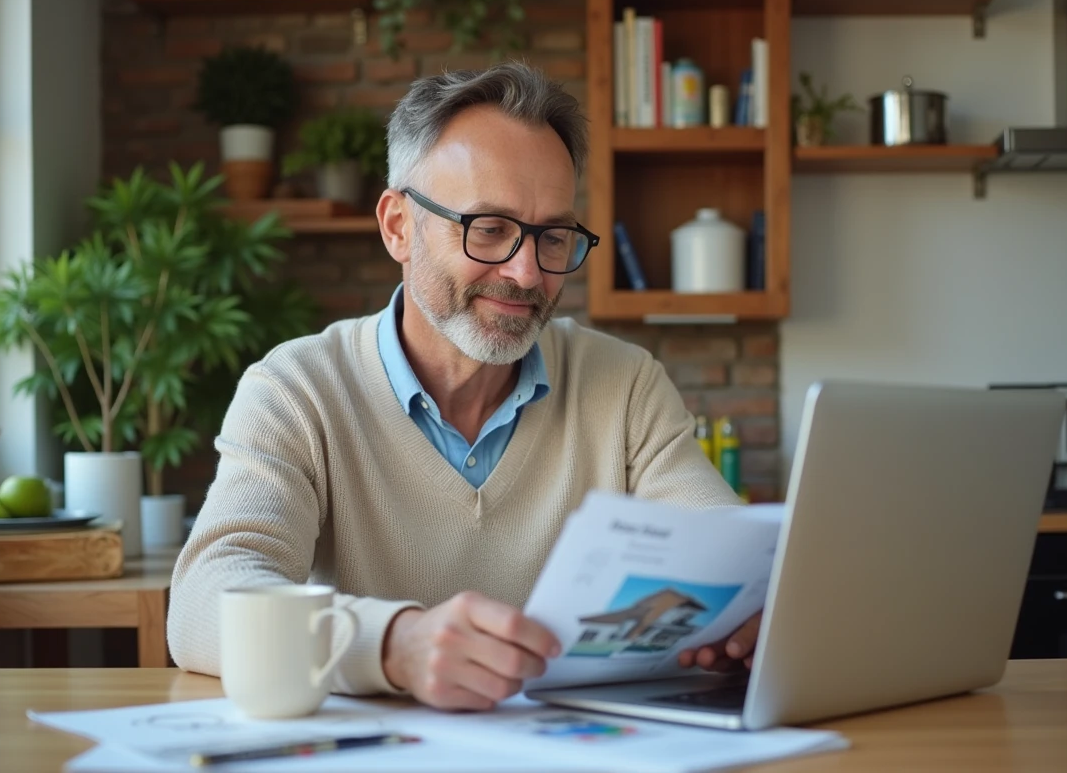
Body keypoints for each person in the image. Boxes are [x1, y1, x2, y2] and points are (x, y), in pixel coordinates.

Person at [168, 61, 757, 711]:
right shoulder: (297, 389)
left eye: (552, 236)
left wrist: (761, 609)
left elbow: (730, 548)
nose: (527, 273)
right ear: (397, 226)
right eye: (490, 229)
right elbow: (205, 600)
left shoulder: (624, 384)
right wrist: (394, 644)